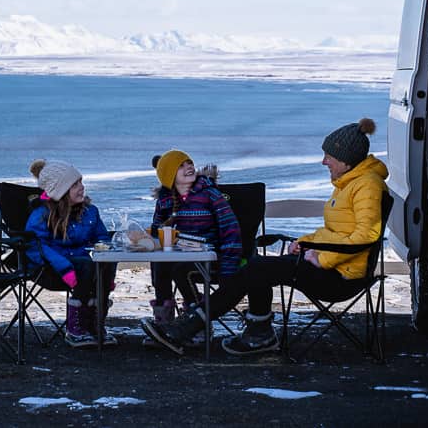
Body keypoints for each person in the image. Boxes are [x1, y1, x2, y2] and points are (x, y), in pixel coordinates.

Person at [142, 119, 388, 356]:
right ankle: (254, 333)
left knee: (256, 269)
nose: (324, 162)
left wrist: (321, 257)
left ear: (347, 159)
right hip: (333, 265)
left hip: (341, 276)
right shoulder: (349, 183)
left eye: (330, 157)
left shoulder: (367, 186)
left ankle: (192, 329)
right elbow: (338, 231)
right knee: (257, 267)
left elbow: (366, 237)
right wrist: (304, 242)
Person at [24, 159, 117, 348]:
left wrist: (108, 254)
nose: (82, 187)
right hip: (50, 268)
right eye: (75, 184)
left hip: (84, 266)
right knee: (87, 265)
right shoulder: (42, 215)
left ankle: (96, 325)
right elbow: (36, 247)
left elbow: (102, 237)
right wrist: (65, 268)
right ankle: (76, 328)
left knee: (103, 262)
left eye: (81, 182)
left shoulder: (90, 212)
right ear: (60, 190)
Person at [146, 149, 243, 329]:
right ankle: (164, 321)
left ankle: (196, 320)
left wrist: (228, 268)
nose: (188, 167)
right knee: (159, 263)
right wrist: (148, 236)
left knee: (181, 270)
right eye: (180, 166)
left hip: (211, 259)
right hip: (181, 254)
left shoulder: (209, 194)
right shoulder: (165, 200)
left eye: (189, 163)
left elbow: (231, 230)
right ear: (169, 176)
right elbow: (155, 231)